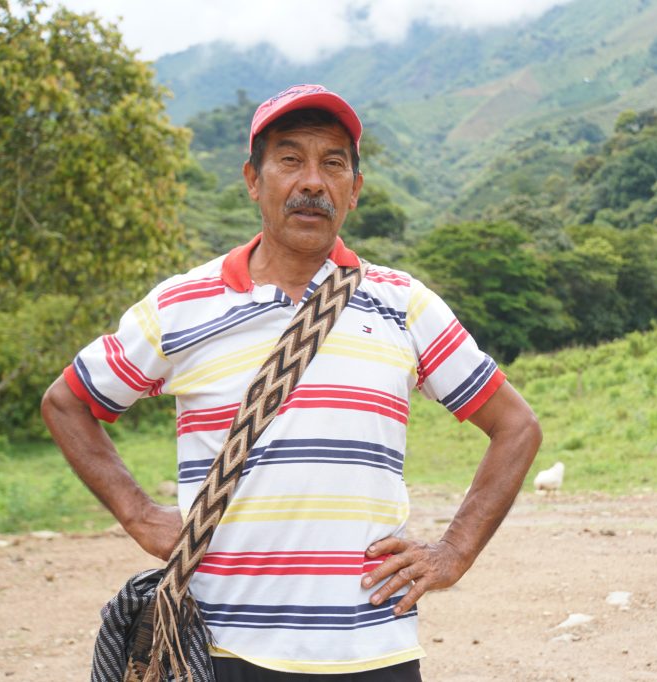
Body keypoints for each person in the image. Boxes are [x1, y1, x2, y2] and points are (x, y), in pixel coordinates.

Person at [41, 83, 542, 681]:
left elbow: (516, 426)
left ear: (354, 191)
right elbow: (68, 401)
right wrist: (138, 514)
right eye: (289, 159)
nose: (312, 181)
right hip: (223, 649)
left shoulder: (403, 305)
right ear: (253, 180)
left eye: (333, 164)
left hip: (372, 648)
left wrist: (454, 552)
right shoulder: (182, 306)